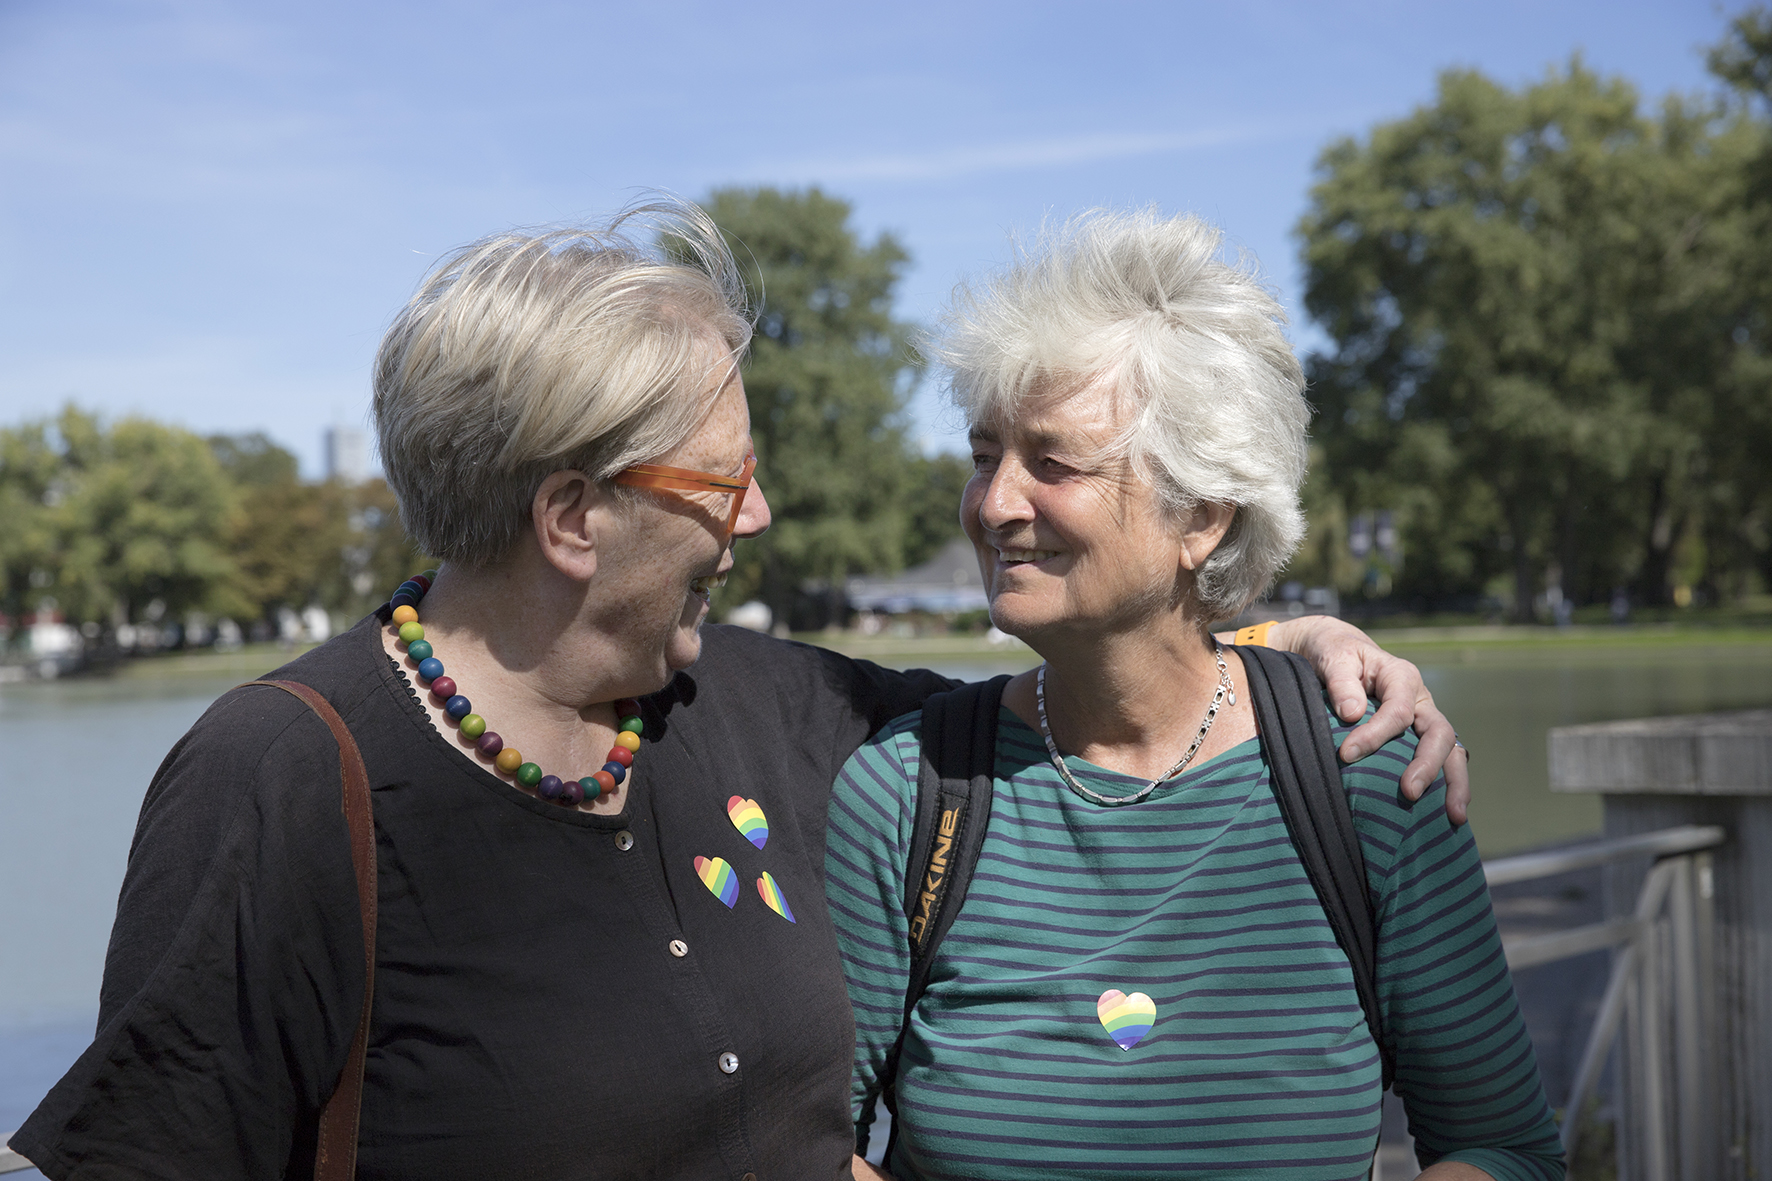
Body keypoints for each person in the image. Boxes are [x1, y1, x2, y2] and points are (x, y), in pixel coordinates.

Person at [13, 200, 1468, 1181]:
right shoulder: (280, 775)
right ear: (573, 516)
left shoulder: (765, 706)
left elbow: (1100, 691)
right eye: (724, 480)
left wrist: (1280, 641)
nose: (758, 516)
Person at [829, 210, 1560, 1180]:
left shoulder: (1369, 777)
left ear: (1201, 517)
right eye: (983, 454)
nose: (995, 503)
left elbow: (1501, 1147)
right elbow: (806, 1146)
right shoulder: (904, 794)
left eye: (1051, 462)